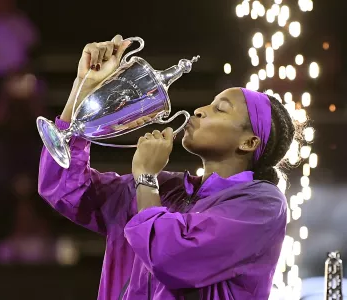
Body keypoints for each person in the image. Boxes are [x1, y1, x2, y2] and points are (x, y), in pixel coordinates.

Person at [38, 35, 297, 300]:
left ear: (249, 142)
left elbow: (172, 258)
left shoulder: (261, 205)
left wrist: (147, 179)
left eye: (220, 109)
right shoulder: (169, 187)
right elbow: (64, 189)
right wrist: (84, 89)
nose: (199, 110)